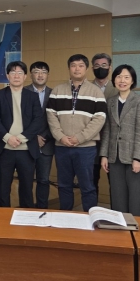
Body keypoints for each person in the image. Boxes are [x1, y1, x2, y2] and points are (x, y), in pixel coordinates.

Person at [46, 54, 106, 211]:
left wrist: (80, 138)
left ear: (86, 69)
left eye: (80, 66)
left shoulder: (96, 92)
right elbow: (51, 116)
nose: (77, 69)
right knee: (64, 185)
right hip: (62, 147)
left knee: (87, 186)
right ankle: (66, 217)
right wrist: (60, 137)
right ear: (69, 68)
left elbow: (99, 119)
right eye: (73, 65)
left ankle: (90, 217)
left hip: (86, 148)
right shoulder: (57, 90)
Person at [99, 65, 140, 217]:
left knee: (137, 197)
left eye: (127, 77)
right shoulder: (110, 101)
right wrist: (104, 155)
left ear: (132, 81)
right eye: (119, 77)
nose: (122, 80)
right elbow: (107, 130)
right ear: (114, 80)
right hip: (114, 156)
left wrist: (137, 158)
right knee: (117, 196)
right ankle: (120, 226)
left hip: (135, 157)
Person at [0, 61, 44, 208]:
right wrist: (8, 138)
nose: (16, 76)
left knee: (27, 189)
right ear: (7, 76)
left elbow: (37, 120)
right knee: (3, 188)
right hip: (5, 149)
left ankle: (26, 218)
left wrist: (21, 139)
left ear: (25, 76)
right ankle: (3, 218)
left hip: (26, 150)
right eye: (13, 73)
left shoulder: (32, 96)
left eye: (20, 73)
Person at [26, 61, 55, 209]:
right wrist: (33, 137)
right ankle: (26, 209)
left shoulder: (54, 93)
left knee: (43, 180)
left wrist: (44, 137)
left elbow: (57, 120)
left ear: (48, 75)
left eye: (43, 72)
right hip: (26, 144)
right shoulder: (23, 91)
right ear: (31, 74)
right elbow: (19, 119)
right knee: (26, 180)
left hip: (47, 144)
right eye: (36, 72)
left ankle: (42, 210)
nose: (40, 75)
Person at [91, 53, 117, 202]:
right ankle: (91, 210)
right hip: (90, 141)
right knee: (91, 182)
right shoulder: (85, 87)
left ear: (110, 68)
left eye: (104, 65)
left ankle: (115, 212)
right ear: (92, 68)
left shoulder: (118, 87)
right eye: (97, 66)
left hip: (112, 142)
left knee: (115, 183)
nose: (100, 68)